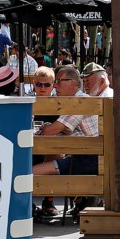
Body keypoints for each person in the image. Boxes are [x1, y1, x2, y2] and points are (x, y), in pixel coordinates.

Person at [33, 64, 98, 216]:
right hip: (86, 156)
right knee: (51, 155)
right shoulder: (75, 100)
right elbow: (60, 130)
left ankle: (23, 209)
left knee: (29, 172)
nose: (55, 85)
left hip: (87, 161)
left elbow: (51, 131)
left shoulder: (79, 102)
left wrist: (46, 128)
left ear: (73, 83)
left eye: (59, 81)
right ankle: (77, 199)